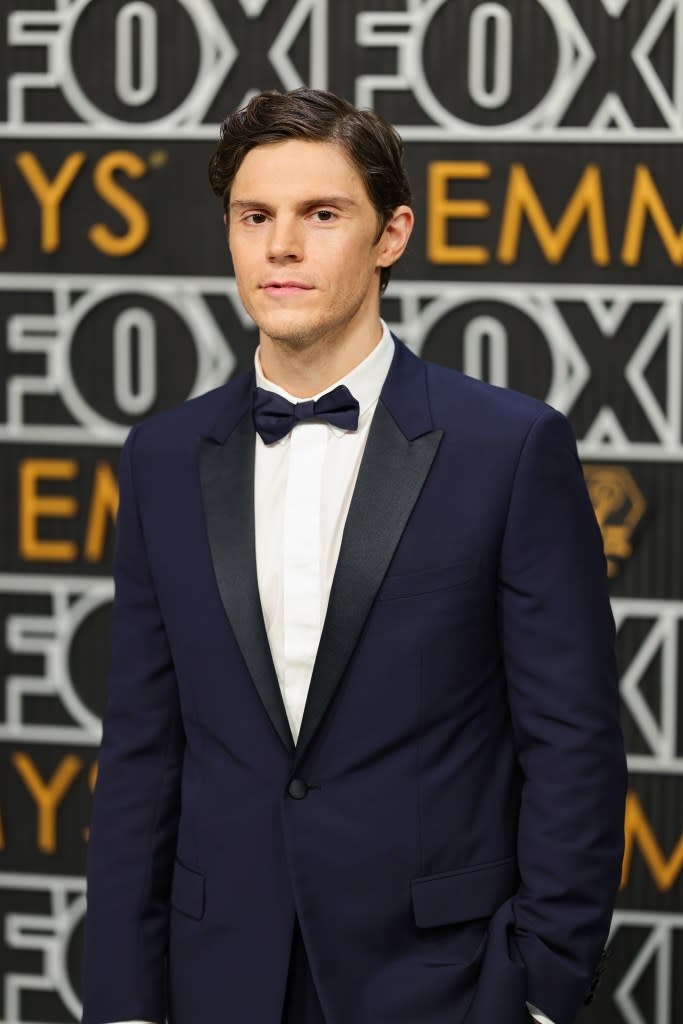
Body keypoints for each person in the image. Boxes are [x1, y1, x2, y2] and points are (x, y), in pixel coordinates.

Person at [81, 88, 627, 1024]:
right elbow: (142, 751)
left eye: (320, 215)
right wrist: (125, 1000)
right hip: (216, 976)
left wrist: (537, 988)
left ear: (390, 234)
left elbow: (572, 744)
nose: (280, 246)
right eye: (255, 217)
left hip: (442, 982)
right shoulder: (163, 457)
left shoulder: (509, 446)